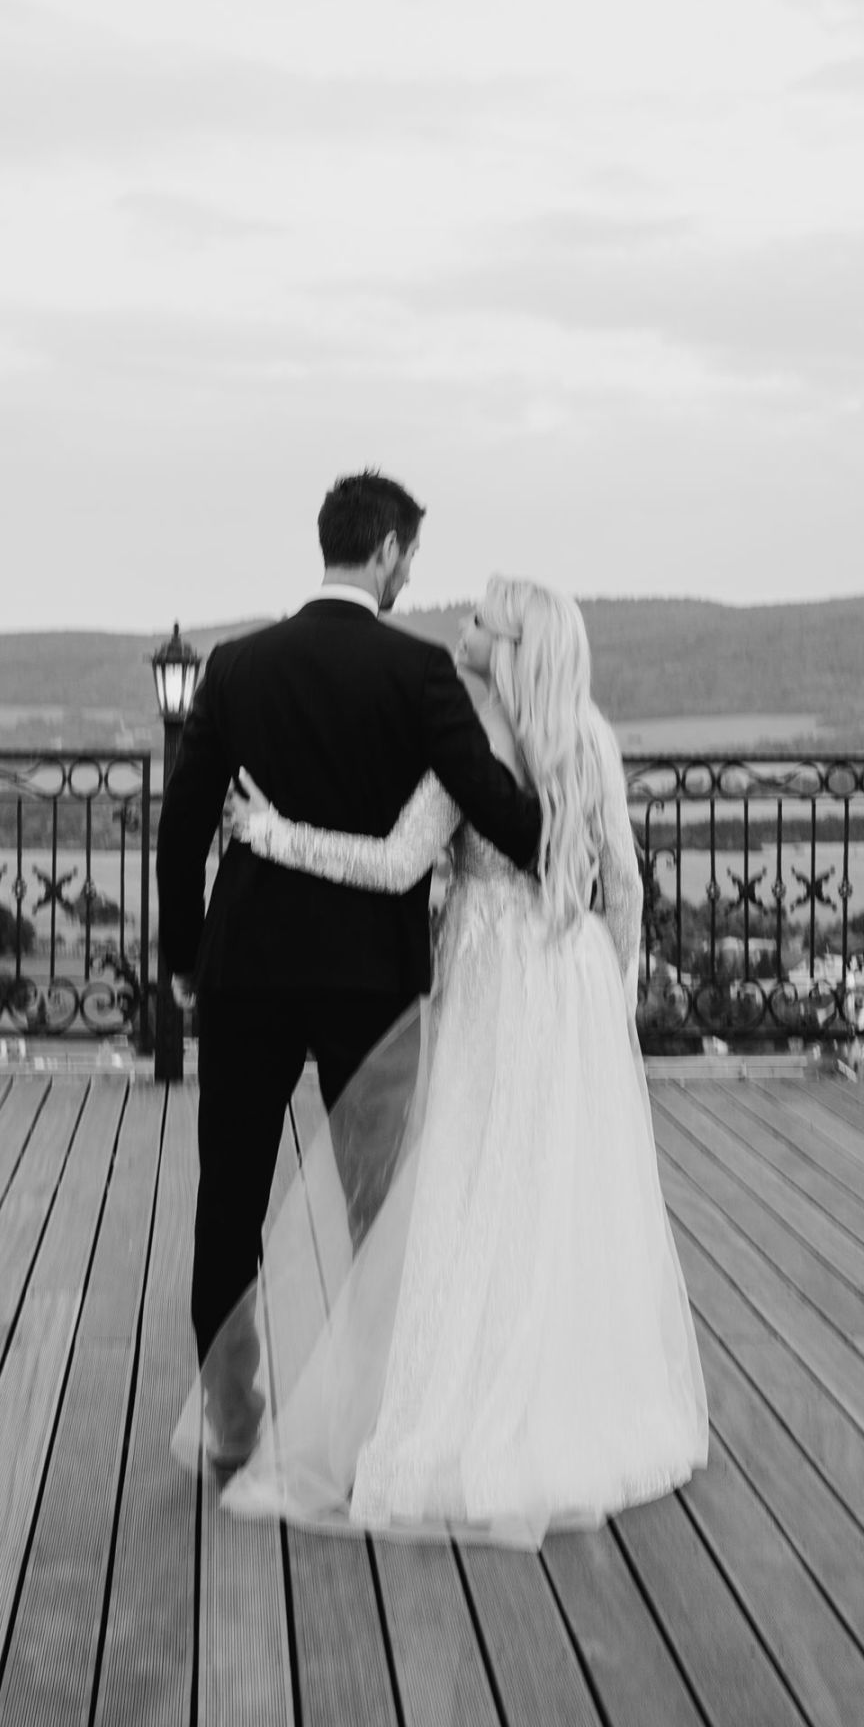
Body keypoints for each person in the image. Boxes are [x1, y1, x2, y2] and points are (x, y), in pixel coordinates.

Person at [178, 574, 709, 1544]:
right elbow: (625, 886)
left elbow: (394, 864)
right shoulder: (591, 739)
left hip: (489, 985)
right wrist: (613, 1001)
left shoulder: (470, 748)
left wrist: (267, 831)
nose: (459, 625)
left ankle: (407, 1407)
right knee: (553, 1198)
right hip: (571, 985)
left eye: (477, 619)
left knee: (463, 1192)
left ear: (508, 648)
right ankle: (561, 1398)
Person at [156, 472, 544, 1468]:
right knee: (381, 1203)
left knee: (229, 1198)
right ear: (384, 552)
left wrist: (184, 955)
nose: (409, 575)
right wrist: (564, 836)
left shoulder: (238, 666)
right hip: (371, 977)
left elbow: (184, 823)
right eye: (409, 557)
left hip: (246, 968)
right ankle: (377, 1411)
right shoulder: (419, 673)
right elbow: (488, 800)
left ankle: (232, 1417)